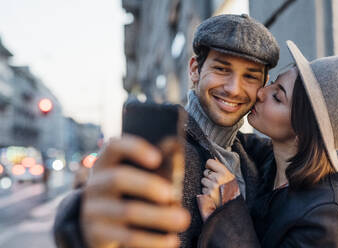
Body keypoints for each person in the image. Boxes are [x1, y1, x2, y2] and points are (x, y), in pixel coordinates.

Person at [53, 14, 280, 248]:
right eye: (222, 69)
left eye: (250, 76)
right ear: (194, 70)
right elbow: (104, 217)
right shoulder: (163, 147)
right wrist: (79, 225)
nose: (234, 89)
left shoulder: (254, 154)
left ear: (263, 85)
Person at [197, 41, 338, 247]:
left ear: (302, 131)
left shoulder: (325, 217)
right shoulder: (275, 158)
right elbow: (226, 137)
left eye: (277, 97)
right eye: (272, 84)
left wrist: (229, 207)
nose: (261, 93)